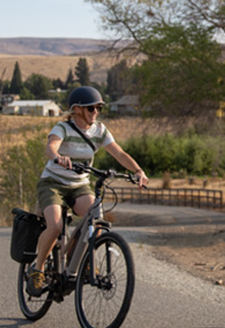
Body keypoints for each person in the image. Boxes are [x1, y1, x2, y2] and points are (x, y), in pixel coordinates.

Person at [28, 86, 148, 295]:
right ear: (77, 110)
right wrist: (57, 157)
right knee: (55, 226)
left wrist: (138, 171)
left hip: (79, 185)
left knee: (97, 220)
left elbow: (119, 153)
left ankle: (79, 261)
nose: (95, 113)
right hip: (53, 183)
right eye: (91, 108)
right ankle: (37, 269)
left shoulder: (100, 130)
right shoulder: (63, 128)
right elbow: (51, 146)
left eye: (98, 108)